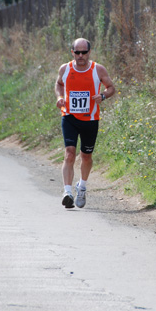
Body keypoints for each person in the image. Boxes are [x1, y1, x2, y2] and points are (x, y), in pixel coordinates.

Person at [55, 37, 115, 208]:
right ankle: (67, 192)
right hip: (69, 117)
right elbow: (58, 84)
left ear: (89, 52)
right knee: (69, 153)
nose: (80, 56)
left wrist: (103, 96)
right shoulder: (65, 69)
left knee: (86, 156)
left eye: (84, 52)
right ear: (72, 52)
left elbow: (111, 87)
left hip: (90, 119)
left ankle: (82, 186)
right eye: (77, 52)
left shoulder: (98, 69)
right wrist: (60, 97)